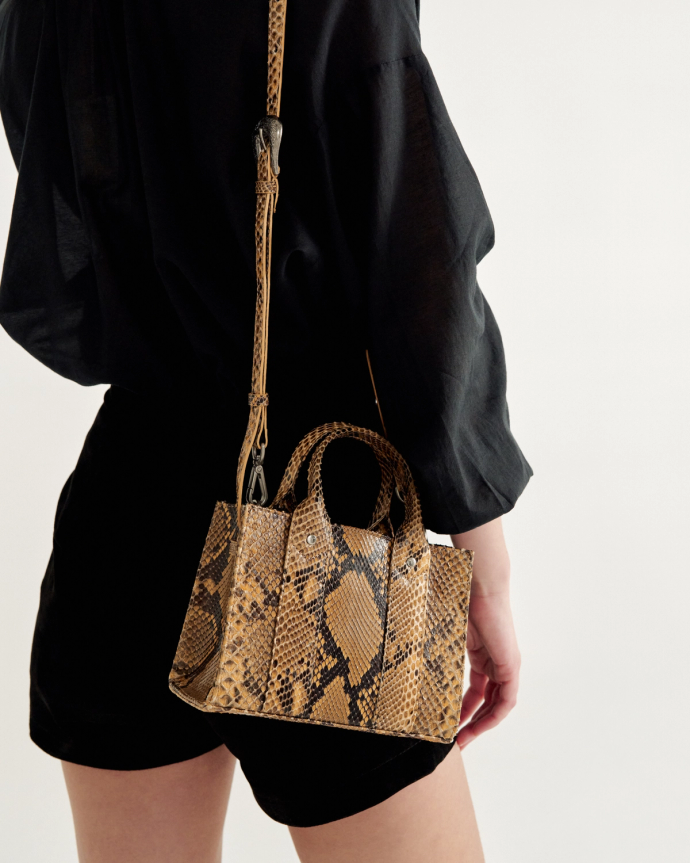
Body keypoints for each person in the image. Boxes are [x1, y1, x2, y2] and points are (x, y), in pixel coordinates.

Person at [0, 0, 531, 860]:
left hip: (124, 513)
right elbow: (415, 259)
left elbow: (60, 212)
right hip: (324, 526)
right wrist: (485, 558)